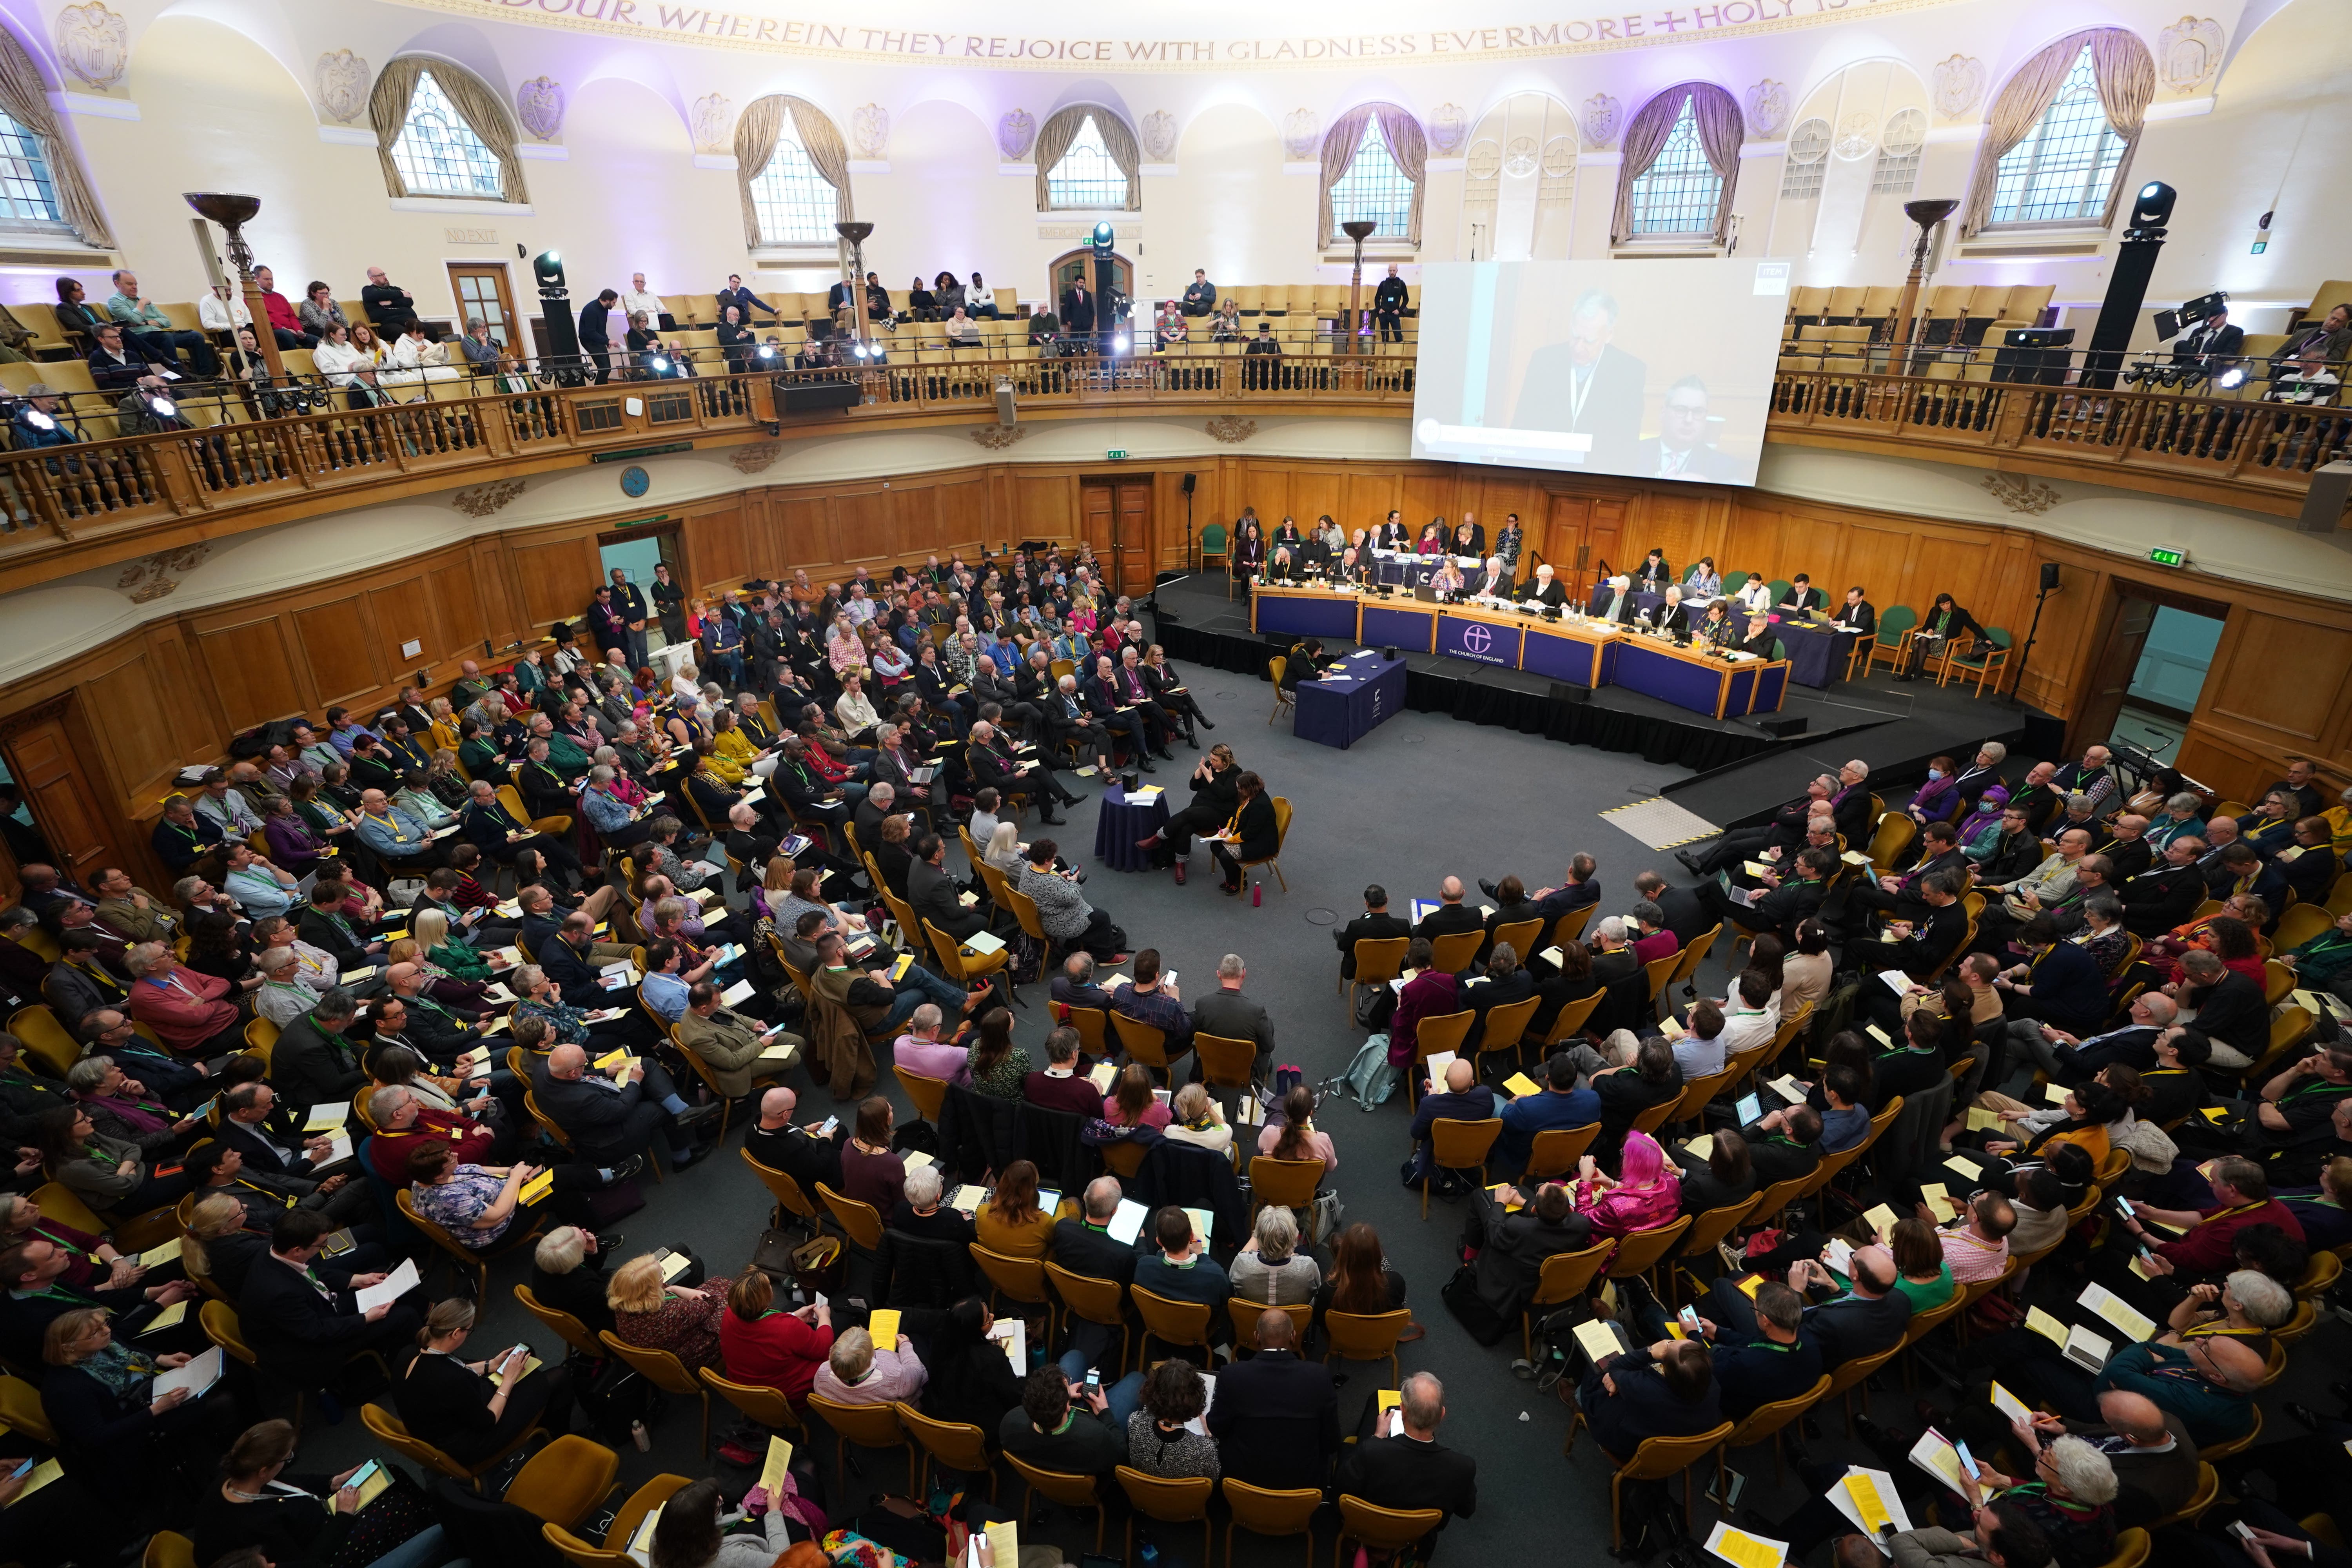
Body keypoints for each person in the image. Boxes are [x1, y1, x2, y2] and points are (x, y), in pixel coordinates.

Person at [241, 1209, 424, 1387]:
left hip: (323, 1306)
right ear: (297, 1250)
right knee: (404, 1316)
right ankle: (410, 1373)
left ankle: (424, 1320)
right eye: (321, 1245)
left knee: (380, 1282)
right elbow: (317, 1332)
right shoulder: (279, 1294)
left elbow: (315, 1272)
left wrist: (356, 1280)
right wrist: (366, 1318)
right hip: (311, 1350)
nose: (325, 1247)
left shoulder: (277, 1249)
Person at [393, 1296, 571, 1466]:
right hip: (471, 1443)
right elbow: (487, 1421)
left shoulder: (409, 1353)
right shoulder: (452, 1380)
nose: (468, 1334)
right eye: (469, 1330)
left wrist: (491, 1365)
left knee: (526, 1357)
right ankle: (560, 1437)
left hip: (443, 1422)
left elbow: (454, 1368)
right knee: (559, 1375)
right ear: (456, 1333)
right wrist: (508, 1381)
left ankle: (541, 1419)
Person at [1335, 1372, 1477, 1554]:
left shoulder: (1372, 1451)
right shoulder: (1463, 1468)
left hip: (1363, 1528)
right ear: (1442, 1414)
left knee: (1347, 1448)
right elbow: (1466, 1511)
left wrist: (1378, 1437)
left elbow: (1342, 1488)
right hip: (1415, 1539)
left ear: (1403, 1411)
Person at [718, 1265, 831, 1410]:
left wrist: (794, 1317)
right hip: (786, 1398)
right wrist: (824, 1317)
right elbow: (822, 1348)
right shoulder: (787, 1329)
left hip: (746, 1389)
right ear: (766, 1298)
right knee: (840, 1326)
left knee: (795, 1305)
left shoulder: (730, 1313)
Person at [608, 1251, 730, 1372]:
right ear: (652, 1289)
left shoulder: (622, 1303)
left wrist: (671, 1289)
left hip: (662, 1359)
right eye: (662, 1274)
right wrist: (675, 1289)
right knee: (729, 1294)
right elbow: (710, 1303)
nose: (664, 1280)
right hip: (694, 1357)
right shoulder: (673, 1312)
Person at [1000, 1363, 1128, 1474]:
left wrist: (1062, 1398)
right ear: (1068, 1407)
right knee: (1136, 1379)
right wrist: (1104, 1412)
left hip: (1046, 1472)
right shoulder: (1097, 1436)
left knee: (1074, 1356)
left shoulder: (1009, 1424)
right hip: (1084, 1486)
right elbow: (1121, 1457)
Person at [1127, 1358, 1219, 1479]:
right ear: (1195, 1401)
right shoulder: (1204, 1450)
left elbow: (1147, 1410)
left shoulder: (1135, 1422)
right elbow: (1214, 1476)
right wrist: (1210, 1434)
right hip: (1180, 1498)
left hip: (1141, 1495)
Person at [813, 1322, 927, 1406]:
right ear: (871, 1356)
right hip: (890, 1425)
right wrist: (906, 1346)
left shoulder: (822, 1373)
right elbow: (918, 1374)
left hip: (849, 1425)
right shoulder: (895, 1377)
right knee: (919, 1340)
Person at [1228, 1203, 1320, 1306]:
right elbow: (1317, 1292)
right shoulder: (1308, 1266)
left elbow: (1243, 1257)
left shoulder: (1241, 1263)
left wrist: (1262, 1231)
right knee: (1302, 1250)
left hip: (1249, 1319)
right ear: (1294, 1238)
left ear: (1258, 1238)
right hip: (1297, 1321)